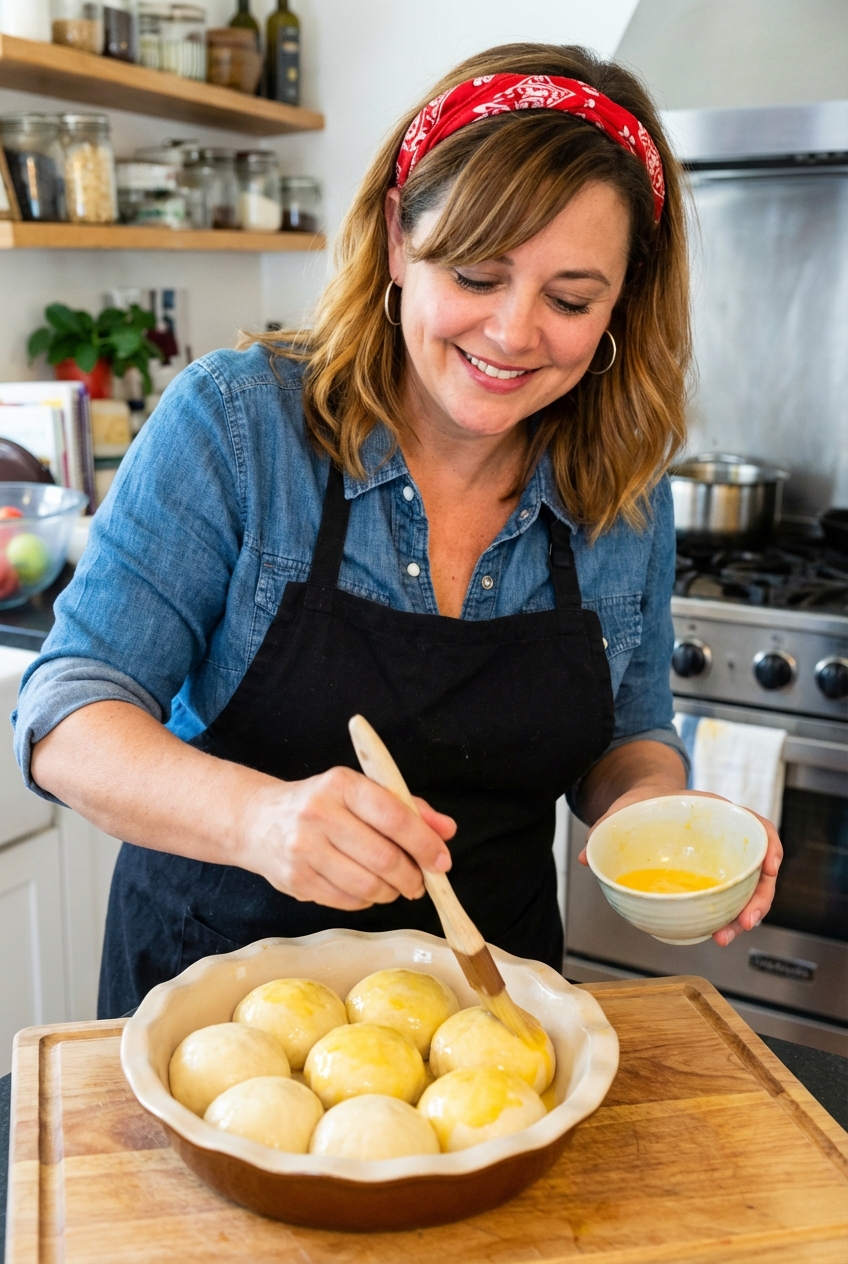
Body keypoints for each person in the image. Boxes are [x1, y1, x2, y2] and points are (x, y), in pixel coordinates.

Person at [13, 43, 782, 1019]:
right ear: (394, 241)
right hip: (214, 1027)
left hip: (492, 1024)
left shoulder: (622, 489)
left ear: (620, 300)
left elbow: (626, 737)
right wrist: (257, 818)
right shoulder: (240, 423)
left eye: (569, 297)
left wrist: (654, 820)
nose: (511, 333)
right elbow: (66, 716)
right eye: (476, 272)